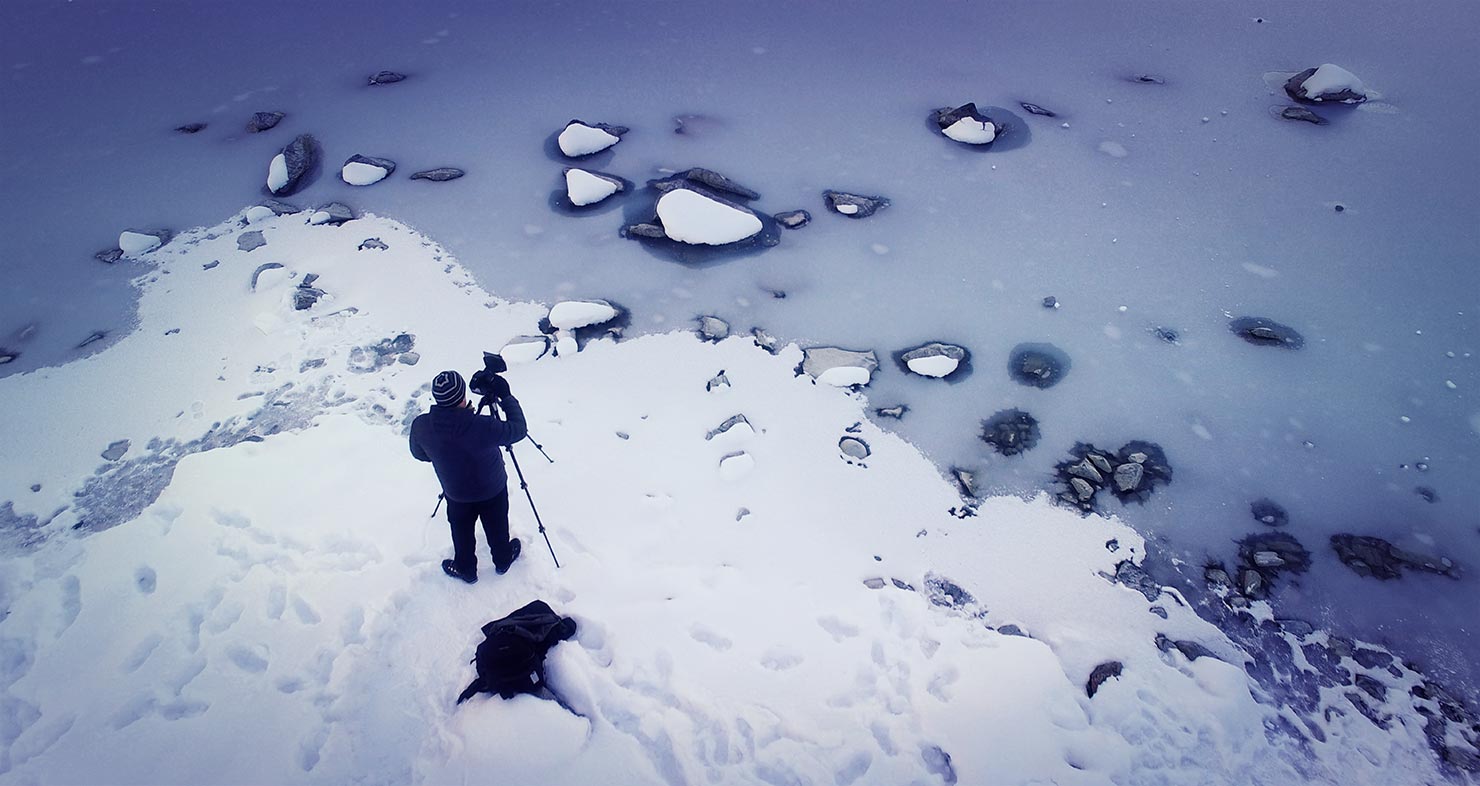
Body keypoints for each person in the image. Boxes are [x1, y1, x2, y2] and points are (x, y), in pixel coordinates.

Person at [410, 369, 527, 584]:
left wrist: (443, 456)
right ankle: (503, 560)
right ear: (463, 396)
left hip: (456, 494)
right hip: (493, 489)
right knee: (497, 526)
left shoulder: (421, 426)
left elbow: (419, 454)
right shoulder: (483, 426)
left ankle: (466, 569)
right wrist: (506, 397)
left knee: (461, 531)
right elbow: (518, 430)